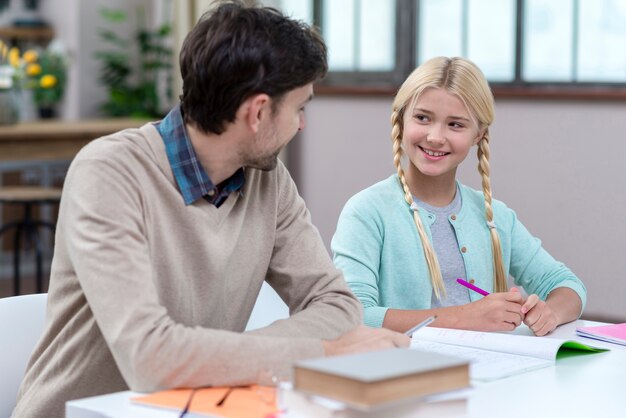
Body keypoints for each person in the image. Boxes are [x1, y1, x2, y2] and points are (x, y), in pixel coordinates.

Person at [13, 3, 408, 417]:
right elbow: (151, 359)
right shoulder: (110, 173)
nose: (301, 125)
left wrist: (209, 355)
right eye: (299, 108)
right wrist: (321, 351)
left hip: (198, 409)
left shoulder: (267, 180)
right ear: (257, 112)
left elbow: (338, 305)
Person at [332, 56, 586, 338]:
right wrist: (467, 316)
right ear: (401, 119)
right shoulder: (367, 212)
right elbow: (352, 315)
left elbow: (567, 285)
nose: (435, 137)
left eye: (455, 124)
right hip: (402, 373)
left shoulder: (496, 217)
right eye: (422, 118)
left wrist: (549, 312)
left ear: (479, 134)